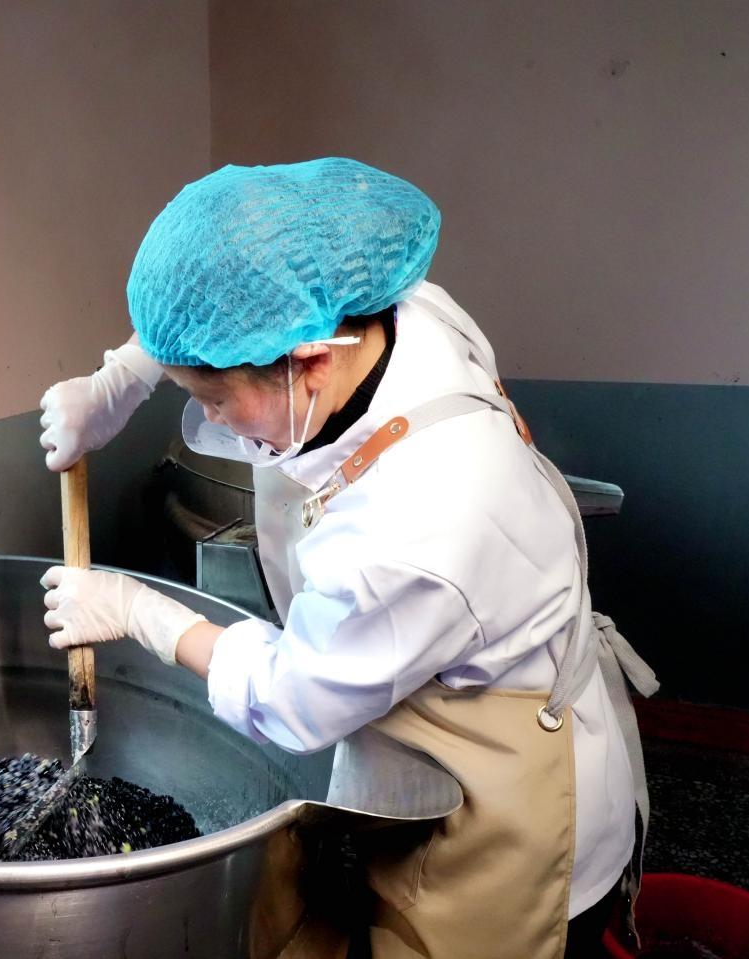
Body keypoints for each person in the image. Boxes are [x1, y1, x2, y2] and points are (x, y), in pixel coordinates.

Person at [37, 158, 657, 959]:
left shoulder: (417, 523)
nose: (208, 420)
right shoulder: (381, 313)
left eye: (214, 399)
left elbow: (287, 696)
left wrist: (138, 611)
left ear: (309, 362)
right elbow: (229, 290)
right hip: (424, 699)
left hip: (506, 801)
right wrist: (118, 379)